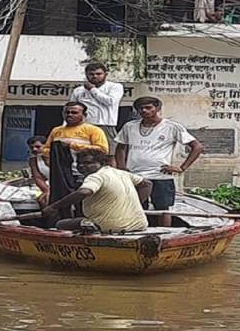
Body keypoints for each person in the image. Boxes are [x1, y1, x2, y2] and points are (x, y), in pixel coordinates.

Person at [114, 96, 203, 227]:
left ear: (157, 108)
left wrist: (182, 168)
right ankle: (137, 231)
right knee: (135, 206)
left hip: (160, 175)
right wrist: (121, 167)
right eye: (141, 108)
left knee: (163, 208)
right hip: (135, 175)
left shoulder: (172, 126)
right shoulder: (129, 126)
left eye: (148, 107)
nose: (144, 111)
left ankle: (165, 233)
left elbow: (197, 147)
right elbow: (121, 147)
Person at [42, 149, 153, 234]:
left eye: (88, 163)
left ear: (102, 163)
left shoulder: (95, 177)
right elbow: (147, 184)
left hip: (110, 227)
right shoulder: (121, 173)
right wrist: (136, 204)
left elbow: (83, 192)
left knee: (60, 224)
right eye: (79, 163)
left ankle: (89, 225)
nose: (82, 166)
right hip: (140, 224)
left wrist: (53, 207)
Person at [43, 102, 109, 221]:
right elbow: (46, 149)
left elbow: (102, 149)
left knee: (82, 203)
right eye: (67, 112)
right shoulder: (56, 130)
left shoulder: (93, 130)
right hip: (62, 174)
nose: (70, 115)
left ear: (84, 115)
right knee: (62, 202)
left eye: (74, 112)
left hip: (84, 173)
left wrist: (72, 146)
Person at [69, 62, 124, 150]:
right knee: (82, 154)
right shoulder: (78, 90)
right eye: (91, 74)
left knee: (109, 154)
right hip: (83, 127)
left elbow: (110, 101)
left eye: (98, 74)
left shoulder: (115, 87)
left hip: (105, 126)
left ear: (105, 74)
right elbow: (71, 109)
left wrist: (92, 89)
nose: (95, 76)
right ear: (86, 75)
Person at [26, 135, 50, 205]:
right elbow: (37, 178)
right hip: (49, 186)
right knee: (42, 200)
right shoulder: (33, 160)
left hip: (63, 185)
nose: (34, 149)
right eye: (31, 147)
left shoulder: (56, 156)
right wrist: (46, 190)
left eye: (38, 147)